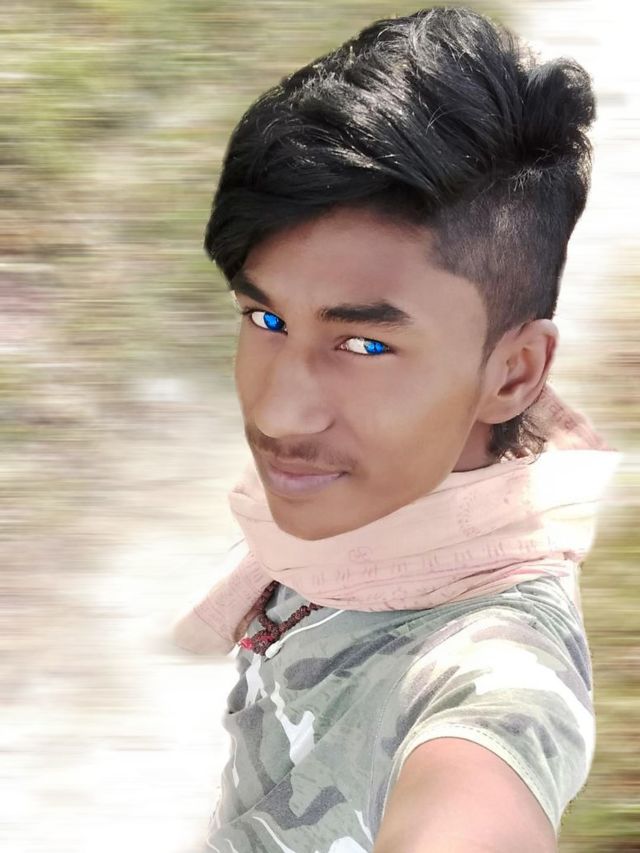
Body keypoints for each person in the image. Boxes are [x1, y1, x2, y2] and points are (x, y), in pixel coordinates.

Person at [173, 5, 623, 851]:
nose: (277, 412)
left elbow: (480, 790)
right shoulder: (362, 509)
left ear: (513, 373)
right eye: (265, 320)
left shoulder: (493, 669)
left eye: (365, 344)